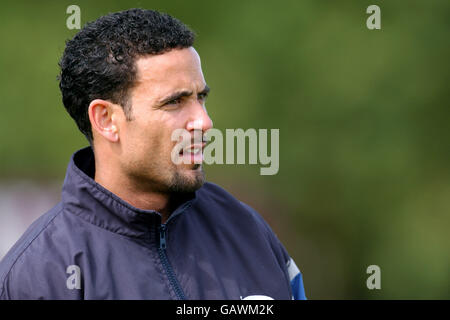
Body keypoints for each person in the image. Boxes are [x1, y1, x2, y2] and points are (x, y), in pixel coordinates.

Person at [0, 8, 306, 300]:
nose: (204, 122)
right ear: (106, 120)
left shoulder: (245, 229)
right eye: (174, 102)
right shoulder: (40, 275)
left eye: (201, 97)